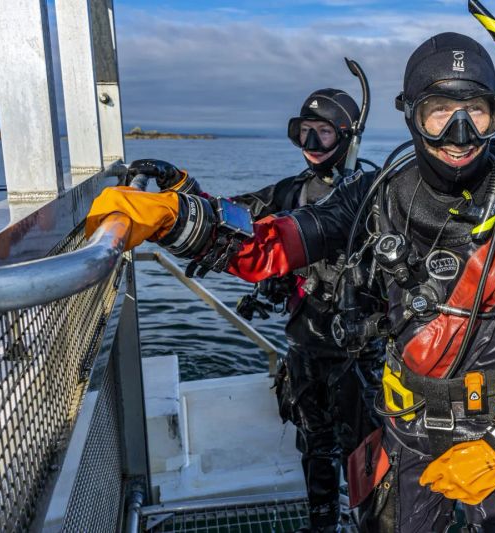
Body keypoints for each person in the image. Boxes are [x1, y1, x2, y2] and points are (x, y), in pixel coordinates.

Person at [87, 32, 495, 532]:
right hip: (404, 436)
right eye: (440, 112)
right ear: (413, 116)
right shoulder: (379, 196)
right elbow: (274, 243)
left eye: (476, 112)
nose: (460, 134)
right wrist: (177, 218)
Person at [119, 89, 384, 533]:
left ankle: (371, 524)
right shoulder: (290, 191)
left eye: (323, 133)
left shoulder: (373, 194)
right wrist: (179, 188)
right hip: (306, 340)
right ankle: (323, 525)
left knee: (367, 450)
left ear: (348, 136)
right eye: (304, 132)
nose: (312, 144)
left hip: (360, 351)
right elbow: (230, 214)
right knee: (315, 440)